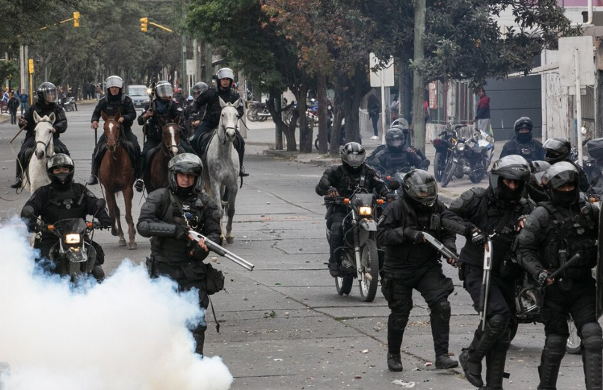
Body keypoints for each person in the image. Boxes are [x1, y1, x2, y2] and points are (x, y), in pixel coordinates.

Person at [441, 155, 532, 389]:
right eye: (507, 182)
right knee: (498, 315)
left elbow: (537, 233)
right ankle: (471, 356)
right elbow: (446, 217)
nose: (512, 187)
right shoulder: (476, 197)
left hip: (507, 272)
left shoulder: (524, 206)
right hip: (477, 269)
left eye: (516, 183)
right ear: (497, 179)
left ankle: (493, 385)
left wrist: (528, 225)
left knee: (505, 328)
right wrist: (470, 230)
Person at [516, 162, 601, 390]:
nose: (566, 192)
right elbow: (523, 250)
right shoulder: (540, 215)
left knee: (592, 337)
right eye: (561, 188)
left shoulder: (589, 211)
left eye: (570, 187)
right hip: (552, 289)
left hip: (583, 285)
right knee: (556, 341)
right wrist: (539, 272)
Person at [137, 153, 223, 356]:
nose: (186, 179)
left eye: (190, 176)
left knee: (196, 322)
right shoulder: (159, 197)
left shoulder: (205, 202)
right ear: (173, 176)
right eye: (182, 175)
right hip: (163, 268)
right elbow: (143, 225)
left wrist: (204, 246)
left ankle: (195, 366)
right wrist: (174, 230)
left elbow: (214, 234)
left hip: (191, 270)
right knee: (161, 321)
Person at [376, 169, 458, 372]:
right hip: (398, 268)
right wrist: (406, 233)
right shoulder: (395, 208)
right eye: (421, 192)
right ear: (409, 190)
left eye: (429, 191)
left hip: (427, 267)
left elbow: (448, 231)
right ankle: (394, 355)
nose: (426, 196)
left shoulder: (438, 207)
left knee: (442, 305)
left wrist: (450, 250)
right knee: (400, 311)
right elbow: (381, 236)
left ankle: (441, 356)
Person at [20, 154, 113, 281]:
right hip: (52, 237)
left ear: (70, 170)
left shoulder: (80, 190)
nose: (61, 172)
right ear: (51, 172)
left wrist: (104, 219)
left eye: (65, 169)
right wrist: (32, 222)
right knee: (42, 268)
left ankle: (102, 292)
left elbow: (95, 204)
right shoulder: (43, 192)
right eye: (57, 169)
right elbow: (30, 208)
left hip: (79, 237)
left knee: (96, 264)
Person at [315, 142, 390, 277]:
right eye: (352, 157)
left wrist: (387, 194)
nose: (355, 161)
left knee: (384, 228)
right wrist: (328, 189)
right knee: (337, 227)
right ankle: (334, 260)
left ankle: (385, 264)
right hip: (342, 209)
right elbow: (321, 187)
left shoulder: (369, 171)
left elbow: (380, 184)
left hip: (366, 208)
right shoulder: (335, 171)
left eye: (358, 157)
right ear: (344, 157)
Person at [135, 81, 193, 192]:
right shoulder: (150, 105)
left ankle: (193, 177)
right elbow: (139, 121)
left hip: (172, 138)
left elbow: (182, 118)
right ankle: (141, 178)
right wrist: (146, 115)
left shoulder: (174, 104)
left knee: (188, 150)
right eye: (163, 91)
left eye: (167, 91)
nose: (165, 94)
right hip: (155, 138)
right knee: (146, 154)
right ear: (157, 92)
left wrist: (179, 118)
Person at [189, 68, 248, 177]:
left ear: (231, 81)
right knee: (194, 140)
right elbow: (197, 103)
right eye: (223, 79)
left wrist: (234, 117)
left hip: (227, 126)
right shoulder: (210, 93)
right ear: (219, 80)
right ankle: (194, 166)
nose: (225, 81)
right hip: (209, 123)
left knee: (241, 142)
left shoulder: (234, 96)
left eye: (228, 79)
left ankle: (239, 167)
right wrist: (194, 114)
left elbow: (240, 109)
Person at [11, 82, 69, 189]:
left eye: (53, 93)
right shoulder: (34, 107)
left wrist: (56, 128)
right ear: (42, 96)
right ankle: (19, 178)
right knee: (22, 154)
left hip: (51, 137)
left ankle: (68, 177)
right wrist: (22, 122)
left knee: (65, 151)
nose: (52, 96)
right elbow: (26, 122)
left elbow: (64, 122)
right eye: (49, 94)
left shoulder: (57, 108)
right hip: (34, 137)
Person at [87, 76, 140, 185]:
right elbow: (96, 113)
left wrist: (124, 118)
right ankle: (93, 174)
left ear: (120, 88)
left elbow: (132, 114)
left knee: (135, 145)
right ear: (108, 89)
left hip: (125, 130)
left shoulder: (126, 100)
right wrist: (94, 121)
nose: (114, 89)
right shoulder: (104, 101)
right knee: (97, 149)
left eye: (116, 87)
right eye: (112, 87)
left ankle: (139, 174)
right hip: (109, 132)